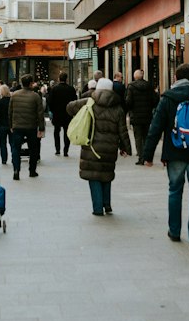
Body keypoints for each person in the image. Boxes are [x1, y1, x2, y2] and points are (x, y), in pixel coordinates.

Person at [143, 62, 189, 249]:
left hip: (175, 153)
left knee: (175, 191)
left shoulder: (167, 99)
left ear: (175, 78)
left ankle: (174, 232)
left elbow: (155, 127)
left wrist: (148, 154)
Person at [66, 76, 131, 216]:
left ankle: (97, 208)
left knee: (94, 176)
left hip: (92, 147)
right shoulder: (118, 108)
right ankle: (107, 205)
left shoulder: (89, 102)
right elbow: (123, 131)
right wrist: (126, 147)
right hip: (110, 148)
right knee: (106, 175)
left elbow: (70, 108)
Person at [8, 73, 45, 180]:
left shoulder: (14, 95)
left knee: (16, 149)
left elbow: (10, 112)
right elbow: (40, 114)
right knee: (33, 149)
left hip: (17, 126)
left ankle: (16, 169)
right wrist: (41, 128)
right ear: (30, 84)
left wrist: (11, 125)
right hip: (31, 127)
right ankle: (32, 170)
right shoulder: (35, 96)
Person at [125, 69, 159, 164]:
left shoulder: (131, 86)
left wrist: (130, 110)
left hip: (135, 116)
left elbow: (128, 102)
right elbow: (154, 100)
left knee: (138, 137)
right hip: (147, 115)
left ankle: (141, 157)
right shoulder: (149, 85)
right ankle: (147, 155)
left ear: (134, 77)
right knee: (146, 136)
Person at [47, 72, 78, 156]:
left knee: (56, 131)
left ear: (59, 79)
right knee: (67, 132)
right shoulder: (71, 89)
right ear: (66, 79)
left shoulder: (54, 89)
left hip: (57, 114)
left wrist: (53, 111)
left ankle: (57, 149)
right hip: (67, 114)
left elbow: (49, 101)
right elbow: (75, 101)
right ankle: (66, 150)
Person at [0, 83, 12, 166]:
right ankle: (14, 157)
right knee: (13, 143)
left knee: (2, 143)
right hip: (11, 124)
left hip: (1, 125)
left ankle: (4, 159)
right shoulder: (12, 101)